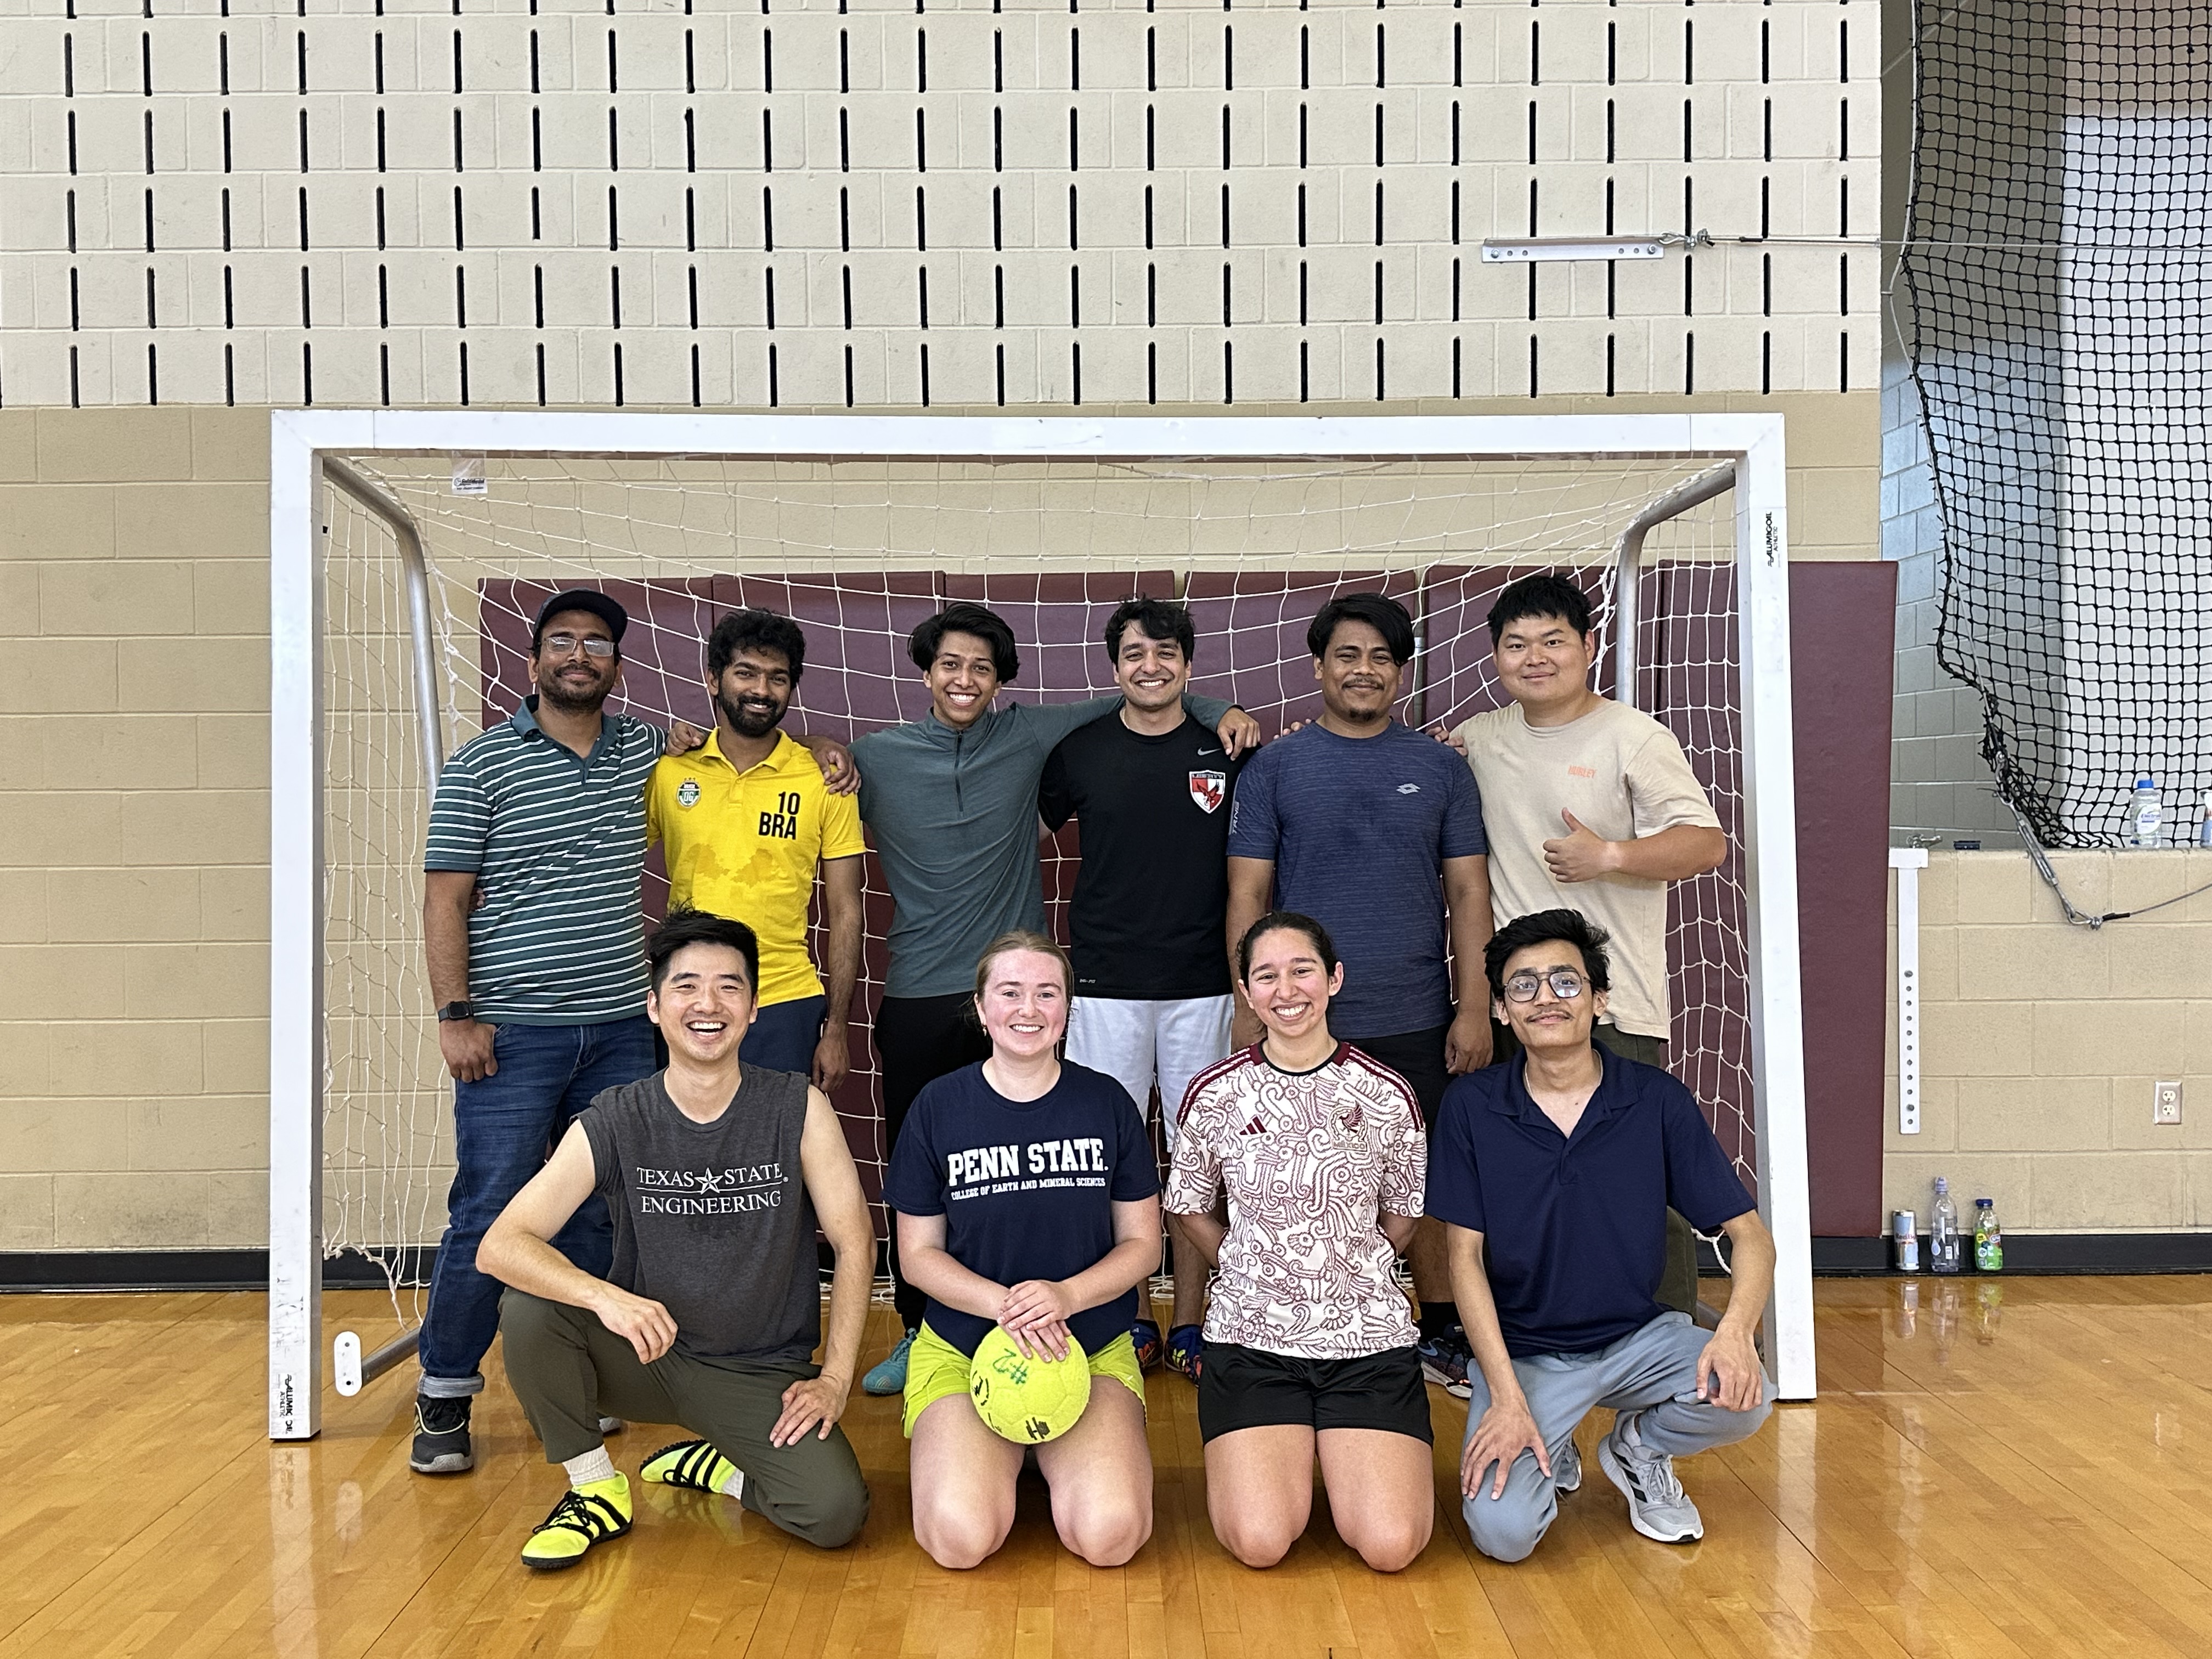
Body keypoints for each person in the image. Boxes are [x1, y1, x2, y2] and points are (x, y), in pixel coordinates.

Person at [413, 588, 851, 1477]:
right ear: (534, 657)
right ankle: (445, 1386)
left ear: (618, 664)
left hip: (619, 1018)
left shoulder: (643, 751)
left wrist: (834, 757)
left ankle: (587, 1382)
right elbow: (444, 897)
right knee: (493, 1203)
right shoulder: (486, 764)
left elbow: (757, 774)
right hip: (516, 1025)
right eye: (564, 641)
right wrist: (456, 1011)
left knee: (602, 1204)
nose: (581, 656)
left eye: (599, 644)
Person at [852, 601, 1257, 1394]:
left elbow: (1149, 696)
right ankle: (926, 1330)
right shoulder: (877, 756)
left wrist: (1223, 708)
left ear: (1002, 679)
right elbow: (813, 772)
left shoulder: (1035, 735)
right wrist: (829, 754)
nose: (964, 680)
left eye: (980, 667)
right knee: (938, 1168)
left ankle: (1176, 1316)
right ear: (925, 673)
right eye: (949, 665)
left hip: (1055, 993)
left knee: (1137, 1161)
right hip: (930, 991)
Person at [479, 910, 875, 1569]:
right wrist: (606, 1298)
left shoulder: (797, 1106)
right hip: (648, 1354)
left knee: (834, 1515)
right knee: (529, 1307)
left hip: (760, 1372)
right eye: (686, 986)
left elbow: (856, 1243)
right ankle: (595, 1488)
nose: (708, 1004)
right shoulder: (618, 1114)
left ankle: (718, 1466)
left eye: (729, 987)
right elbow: (501, 1245)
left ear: (752, 1010)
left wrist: (835, 1379)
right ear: (655, 1008)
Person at [1429, 909, 1775, 1562]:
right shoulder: (1472, 1108)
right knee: (1504, 1537)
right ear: (1502, 1012)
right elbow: (1463, 1262)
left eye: (1565, 981)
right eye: (1523, 986)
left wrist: (1733, 1335)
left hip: (1638, 1340)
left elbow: (1752, 1238)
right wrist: (1505, 1397)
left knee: (1745, 1396)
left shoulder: (1655, 1100)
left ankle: (1637, 1448)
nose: (1545, 999)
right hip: (1528, 1356)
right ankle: (1548, 1437)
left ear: (1600, 999)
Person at [1224, 591, 1492, 1397]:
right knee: (1291, 1172)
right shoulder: (1276, 766)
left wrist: (1474, 1003)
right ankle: (1286, 1322)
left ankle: (1441, 1327)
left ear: (1402, 671)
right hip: (1299, 1022)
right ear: (1318, 667)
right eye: (1347, 655)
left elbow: (1470, 896)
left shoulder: (1442, 767)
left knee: (1424, 1179)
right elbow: (1247, 895)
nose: (1364, 670)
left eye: (1381, 657)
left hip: (1415, 1012)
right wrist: (1246, 1001)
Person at [1444, 574, 1728, 1318]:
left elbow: (1705, 844)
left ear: (1588, 648)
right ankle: (1533, 1336)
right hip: (1518, 1008)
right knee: (1521, 1182)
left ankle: (1667, 1344)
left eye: (1553, 641)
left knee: (1639, 1185)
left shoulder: (1633, 737)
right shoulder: (1479, 738)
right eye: (1516, 644)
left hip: (1613, 1005)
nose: (1535, 657)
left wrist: (1611, 857)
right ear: (1497, 657)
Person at [881, 932, 1162, 1570]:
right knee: (960, 1540)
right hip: (963, 1345)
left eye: (1047, 993)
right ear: (981, 1008)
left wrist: (1065, 1297)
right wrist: (1005, 1305)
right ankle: (1000, 1457)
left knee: (1110, 1537)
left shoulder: (1106, 1103)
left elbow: (1144, 1245)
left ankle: (1048, 1457)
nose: (1028, 1009)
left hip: (1085, 1346)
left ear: (1067, 1010)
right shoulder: (938, 1107)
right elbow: (919, 1255)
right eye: (1009, 993)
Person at [1164, 912, 1433, 1573]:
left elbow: (1404, 1215)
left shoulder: (1387, 1094)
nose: (1287, 990)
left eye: (1302, 970)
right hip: (1253, 1344)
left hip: (1365, 1346)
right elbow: (1190, 1206)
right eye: (1267, 976)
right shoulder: (1216, 1094)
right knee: (1260, 1541)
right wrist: (1246, 1262)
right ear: (1248, 993)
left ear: (1334, 978)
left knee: (1391, 1546)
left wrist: (1350, 1267)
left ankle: (1343, 1452)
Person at [1038, 596, 1243, 1380]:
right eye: (1134, 654)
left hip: (1205, 987)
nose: (1150, 666)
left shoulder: (1227, 746)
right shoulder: (1078, 752)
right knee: (1109, 1157)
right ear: (1114, 666)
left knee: (1203, 1161)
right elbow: (1025, 838)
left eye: (1165, 653)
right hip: (1104, 986)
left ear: (1188, 666)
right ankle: (1127, 1313)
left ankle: (1192, 1316)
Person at [647, 607, 864, 1088]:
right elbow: (605, 859)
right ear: (712, 679)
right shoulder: (670, 771)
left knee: (778, 1159)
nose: (762, 691)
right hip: (687, 998)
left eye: (777, 678)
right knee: (684, 1155)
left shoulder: (826, 780)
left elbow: (847, 911)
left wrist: (837, 1028)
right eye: (746, 673)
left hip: (785, 998)